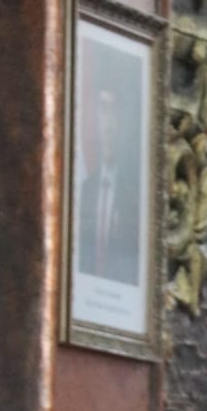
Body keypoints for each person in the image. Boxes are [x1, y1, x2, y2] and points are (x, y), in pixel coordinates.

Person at [77, 79, 140, 285]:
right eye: (103, 109)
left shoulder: (135, 196)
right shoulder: (84, 191)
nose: (109, 126)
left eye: (114, 110)